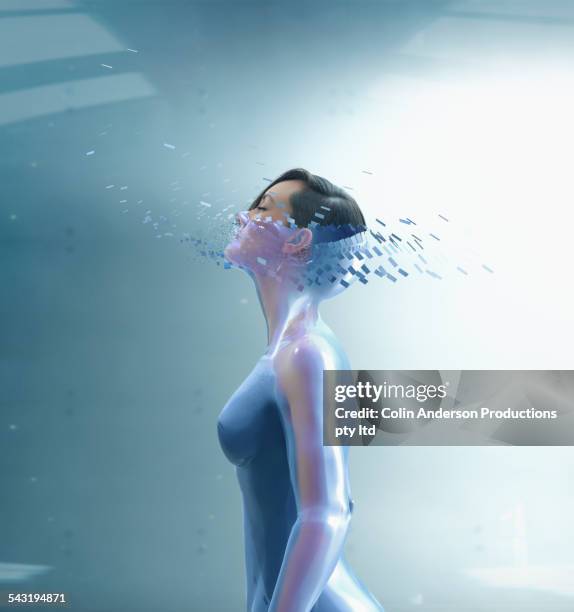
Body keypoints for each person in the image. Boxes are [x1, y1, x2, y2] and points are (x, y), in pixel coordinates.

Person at [217, 168, 384, 612]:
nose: (241, 217)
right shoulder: (285, 354)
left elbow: (328, 513)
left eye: (262, 209)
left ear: (299, 241)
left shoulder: (308, 355)